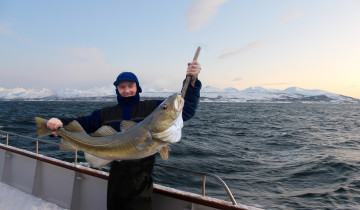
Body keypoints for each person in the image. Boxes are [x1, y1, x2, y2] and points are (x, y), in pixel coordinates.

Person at [46, 61, 202, 210]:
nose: (127, 90)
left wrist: (192, 81)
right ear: (117, 90)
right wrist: (60, 124)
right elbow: (84, 123)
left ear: (137, 87)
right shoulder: (106, 113)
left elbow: (184, 110)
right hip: (115, 177)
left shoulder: (152, 108)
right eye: (122, 87)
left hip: (141, 180)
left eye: (130, 86)